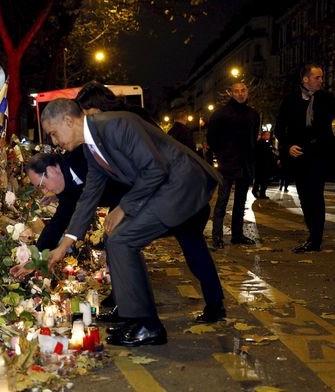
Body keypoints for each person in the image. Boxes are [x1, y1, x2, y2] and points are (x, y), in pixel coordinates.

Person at [33, 98, 226, 347]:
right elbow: (89, 196)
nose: (55, 142)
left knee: (121, 239)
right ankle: (138, 320)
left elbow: (155, 169)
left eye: (54, 134)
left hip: (179, 185)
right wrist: (64, 245)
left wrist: (123, 207)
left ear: (68, 120)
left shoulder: (116, 125)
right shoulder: (92, 146)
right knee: (117, 238)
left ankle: (148, 325)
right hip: (164, 189)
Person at [273, 64, 335, 253]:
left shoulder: (327, 99)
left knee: (316, 196)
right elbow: (279, 128)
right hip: (298, 157)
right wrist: (287, 146)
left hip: (318, 156)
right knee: (304, 198)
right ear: (305, 79)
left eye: (322, 77)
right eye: (317, 77)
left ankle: (315, 240)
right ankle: (312, 235)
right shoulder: (290, 101)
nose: (321, 80)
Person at [25, 150, 129, 252]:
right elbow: (59, 221)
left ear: (51, 170)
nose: (44, 191)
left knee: (117, 245)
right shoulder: (64, 186)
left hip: (132, 195)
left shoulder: (81, 156)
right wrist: (38, 256)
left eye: (42, 185)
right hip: (120, 204)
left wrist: (123, 207)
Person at [207, 81, 260, 249]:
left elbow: (253, 138)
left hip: (244, 163)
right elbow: (212, 139)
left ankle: (237, 235)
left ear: (247, 92)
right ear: (230, 93)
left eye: (243, 90)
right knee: (222, 201)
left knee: (240, 202)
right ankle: (217, 237)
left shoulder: (253, 114)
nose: (240, 94)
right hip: (227, 163)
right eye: (236, 91)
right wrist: (223, 155)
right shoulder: (220, 114)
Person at [252, 131, 277, 199]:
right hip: (263, 166)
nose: (268, 136)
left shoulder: (265, 143)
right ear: (263, 135)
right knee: (264, 180)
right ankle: (261, 193)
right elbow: (266, 155)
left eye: (269, 135)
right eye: (267, 135)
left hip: (262, 165)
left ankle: (257, 191)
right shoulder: (262, 143)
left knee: (259, 180)